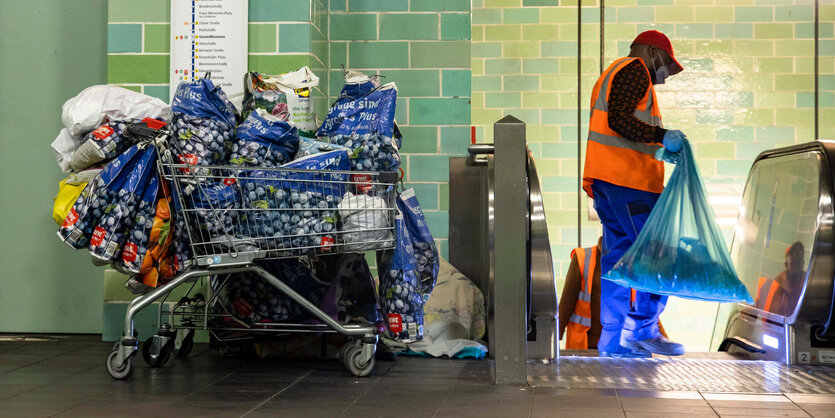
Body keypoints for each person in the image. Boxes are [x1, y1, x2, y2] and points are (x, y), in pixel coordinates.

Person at [582, 30, 688, 358]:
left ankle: (611, 341)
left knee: (617, 261)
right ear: (653, 52)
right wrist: (661, 135)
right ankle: (643, 330)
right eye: (666, 66)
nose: (664, 76)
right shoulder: (634, 70)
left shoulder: (612, 73)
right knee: (658, 253)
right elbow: (620, 121)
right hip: (630, 185)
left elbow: (619, 127)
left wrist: (656, 150)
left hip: (609, 182)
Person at [559, 238, 668, 350]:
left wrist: (664, 340)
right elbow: (566, 304)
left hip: (619, 347)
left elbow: (645, 308)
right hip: (585, 345)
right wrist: (551, 340)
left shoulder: (634, 262)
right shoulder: (583, 258)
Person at [756, 242, 805, 316]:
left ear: (802, 263)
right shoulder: (767, 286)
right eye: (792, 259)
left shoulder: (808, 290)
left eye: (797, 261)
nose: (795, 268)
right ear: (787, 262)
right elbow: (752, 311)